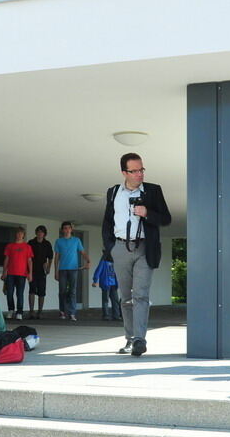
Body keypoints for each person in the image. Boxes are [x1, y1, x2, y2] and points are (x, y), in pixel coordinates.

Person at [102, 153, 172, 356]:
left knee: (140, 295)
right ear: (124, 172)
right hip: (120, 248)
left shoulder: (153, 190)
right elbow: (107, 221)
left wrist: (147, 213)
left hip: (144, 248)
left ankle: (140, 340)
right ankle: (130, 339)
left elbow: (166, 218)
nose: (139, 174)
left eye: (142, 169)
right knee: (125, 298)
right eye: (134, 171)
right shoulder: (113, 192)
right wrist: (110, 248)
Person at [54, 222, 89, 321]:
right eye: (65, 228)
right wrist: (55, 271)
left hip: (73, 269)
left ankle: (72, 313)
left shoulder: (76, 240)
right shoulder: (58, 241)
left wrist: (88, 260)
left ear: (71, 229)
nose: (67, 230)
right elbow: (56, 257)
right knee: (62, 291)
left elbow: (82, 252)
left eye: (68, 228)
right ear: (62, 230)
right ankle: (62, 312)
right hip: (62, 269)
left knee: (73, 291)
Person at [1, 227, 33, 320]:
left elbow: (30, 261)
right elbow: (6, 259)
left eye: (21, 233)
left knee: (20, 294)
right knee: (9, 293)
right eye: (18, 233)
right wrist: (4, 272)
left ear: (23, 235)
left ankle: (19, 312)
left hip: (22, 274)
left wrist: (30, 273)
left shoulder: (27, 247)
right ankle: (11, 310)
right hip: (10, 273)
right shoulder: (10, 246)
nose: (19, 235)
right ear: (16, 234)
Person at [27, 225, 53, 319]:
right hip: (32, 270)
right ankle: (31, 311)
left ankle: (40, 311)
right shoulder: (30, 242)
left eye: (41, 232)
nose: (39, 233)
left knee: (42, 291)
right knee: (32, 290)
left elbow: (50, 257)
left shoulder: (47, 244)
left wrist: (49, 268)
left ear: (44, 234)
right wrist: (27, 270)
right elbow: (27, 257)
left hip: (42, 271)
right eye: (38, 231)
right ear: (36, 232)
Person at [92, 251, 121, 321]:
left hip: (113, 284)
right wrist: (95, 281)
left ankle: (115, 316)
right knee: (106, 300)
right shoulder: (103, 263)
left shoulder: (114, 263)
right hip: (106, 283)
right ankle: (106, 315)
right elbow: (98, 271)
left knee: (115, 300)